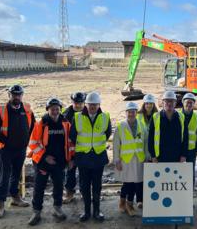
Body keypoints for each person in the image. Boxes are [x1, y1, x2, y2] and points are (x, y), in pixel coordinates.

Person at [0, 84, 35, 219]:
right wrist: (6, 141)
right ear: (9, 95)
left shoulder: (27, 109)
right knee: (4, 176)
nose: (16, 97)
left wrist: (27, 141)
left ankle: (15, 198)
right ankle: (0, 204)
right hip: (6, 150)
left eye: (19, 94)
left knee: (16, 175)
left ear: (22, 95)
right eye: (14, 94)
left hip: (21, 149)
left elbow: (32, 125)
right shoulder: (1, 111)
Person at [27, 98, 74, 226]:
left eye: (57, 109)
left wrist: (70, 159)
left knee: (59, 186)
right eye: (52, 109)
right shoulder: (41, 123)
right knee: (39, 187)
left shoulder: (65, 123)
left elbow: (70, 144)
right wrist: (45, 157)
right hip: (43, 162)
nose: (55, 111)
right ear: (48, 110)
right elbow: (33, 143)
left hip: (59, 162)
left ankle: (57, 208)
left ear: (60, 109)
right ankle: (36, 212)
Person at [70, 92, 111, 222]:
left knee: (97, 186)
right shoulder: (77, 117)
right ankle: (87, 211)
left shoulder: (105, 117)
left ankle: (97, 211)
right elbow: (72, 135)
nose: (92, 107)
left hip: (98, 157)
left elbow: (108, 133)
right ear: (86, 105)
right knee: (84, 186)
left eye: (95, 104)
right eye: (90, 104)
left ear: (99, 105)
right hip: (83, 158)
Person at [113, 102, 148, 217]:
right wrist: (117, 160)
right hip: (126, 160)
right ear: (126, 113)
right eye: (129, 112)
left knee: (134, 183)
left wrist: (147, 157)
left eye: (133, 112)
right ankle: (124, 203)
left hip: (138, 159)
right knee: (127, 183)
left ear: (136, 112)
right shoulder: (121, 126)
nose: (131, 114)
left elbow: (145, 143)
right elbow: (116, 144)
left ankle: (128, 204)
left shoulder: (142, 126)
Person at [148, 91, 188, 163]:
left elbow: (185, 138)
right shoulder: (155, 117)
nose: (169, 103)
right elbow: (150, 138)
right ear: (163, 103)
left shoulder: (181, 117)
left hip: (177, 157)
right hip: (160, 157)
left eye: (172, 101)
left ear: (175, 103)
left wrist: (184, 155)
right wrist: (153, 156)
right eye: (167, 101)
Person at [62, 91, 86, 204]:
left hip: (84, 149)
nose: (78, 105)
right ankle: (69, 193)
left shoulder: (88, 113)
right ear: (72, 102)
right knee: (70, 172)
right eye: (76, 103)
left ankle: (84, 192)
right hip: (70, 150)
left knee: (84, 172)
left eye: (81, 103)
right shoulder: (66, 115)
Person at [180, 93, 197, 186]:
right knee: (178, 171)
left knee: (190, 172)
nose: (189, 104)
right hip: (179, 151)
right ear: (183, 103)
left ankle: (190, 190)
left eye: (191, 103)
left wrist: (196, 148)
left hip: (191, 150)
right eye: (187, 102)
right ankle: (178, 189)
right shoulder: (177, 116)